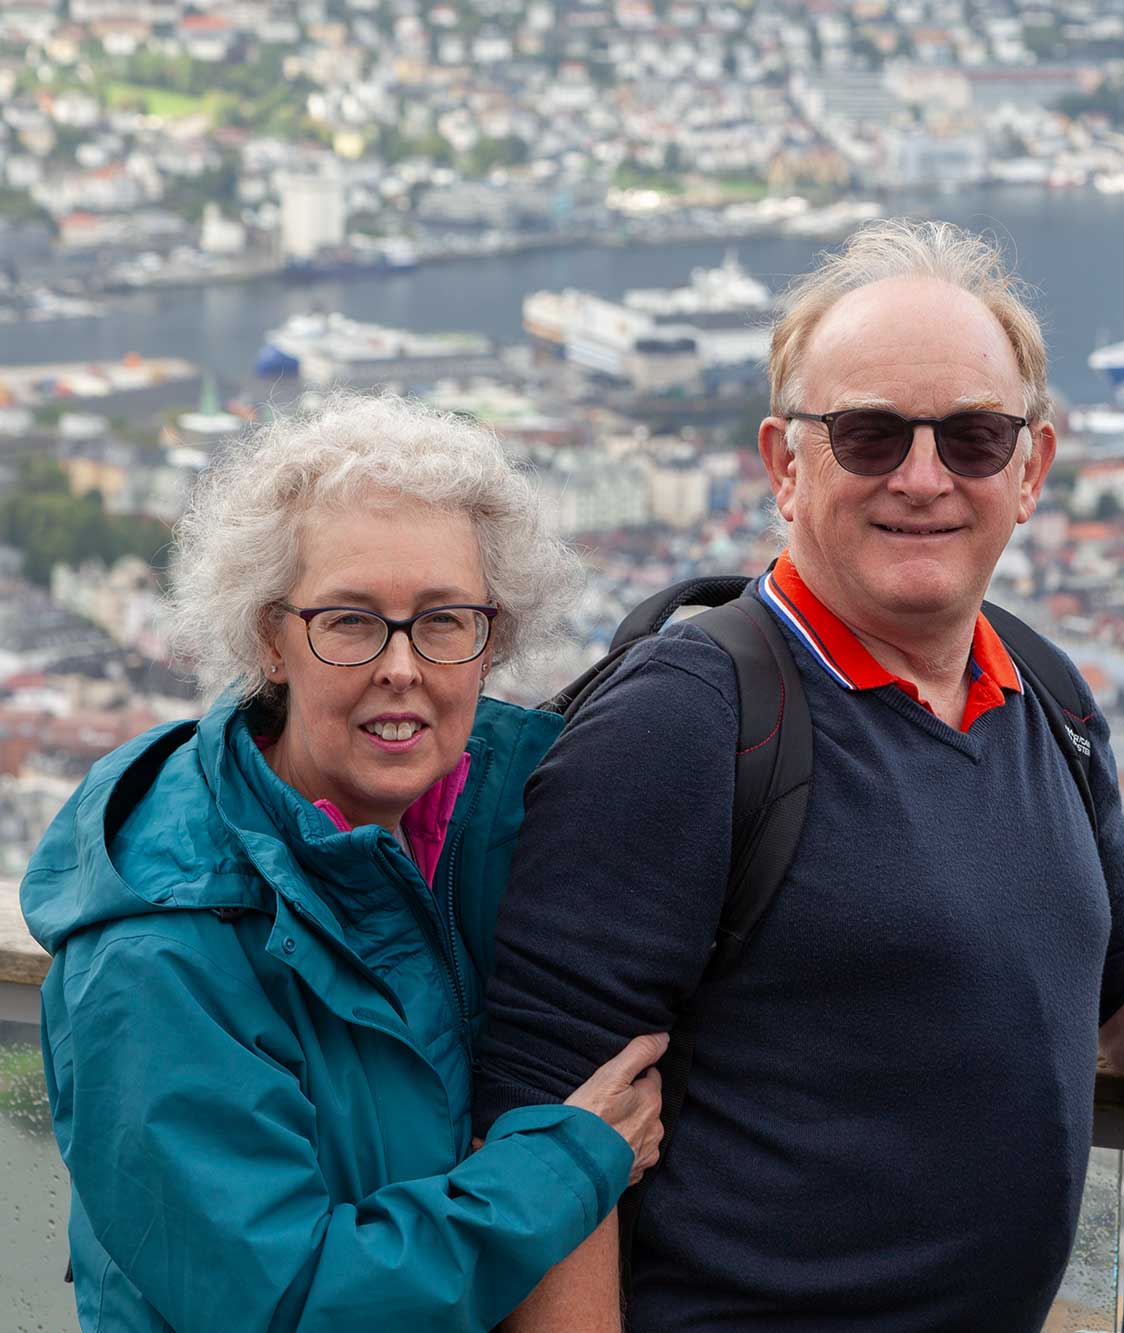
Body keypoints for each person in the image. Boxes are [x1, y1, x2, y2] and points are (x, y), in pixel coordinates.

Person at [475, 219, 1124, 1330]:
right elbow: (540, 1114)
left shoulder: (1041, 690)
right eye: (866, 436)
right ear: (783, 464)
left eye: (971, 438)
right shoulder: (686, 720)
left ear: (1030, 468)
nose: (920, 477)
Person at [24, 395, 669, 1333]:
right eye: (353, 621)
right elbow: (289, 1300)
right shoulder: (163, 948)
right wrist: (569, 1164)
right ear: (267, 639)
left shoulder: (523, 822)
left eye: (445, 619)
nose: (402, 665)